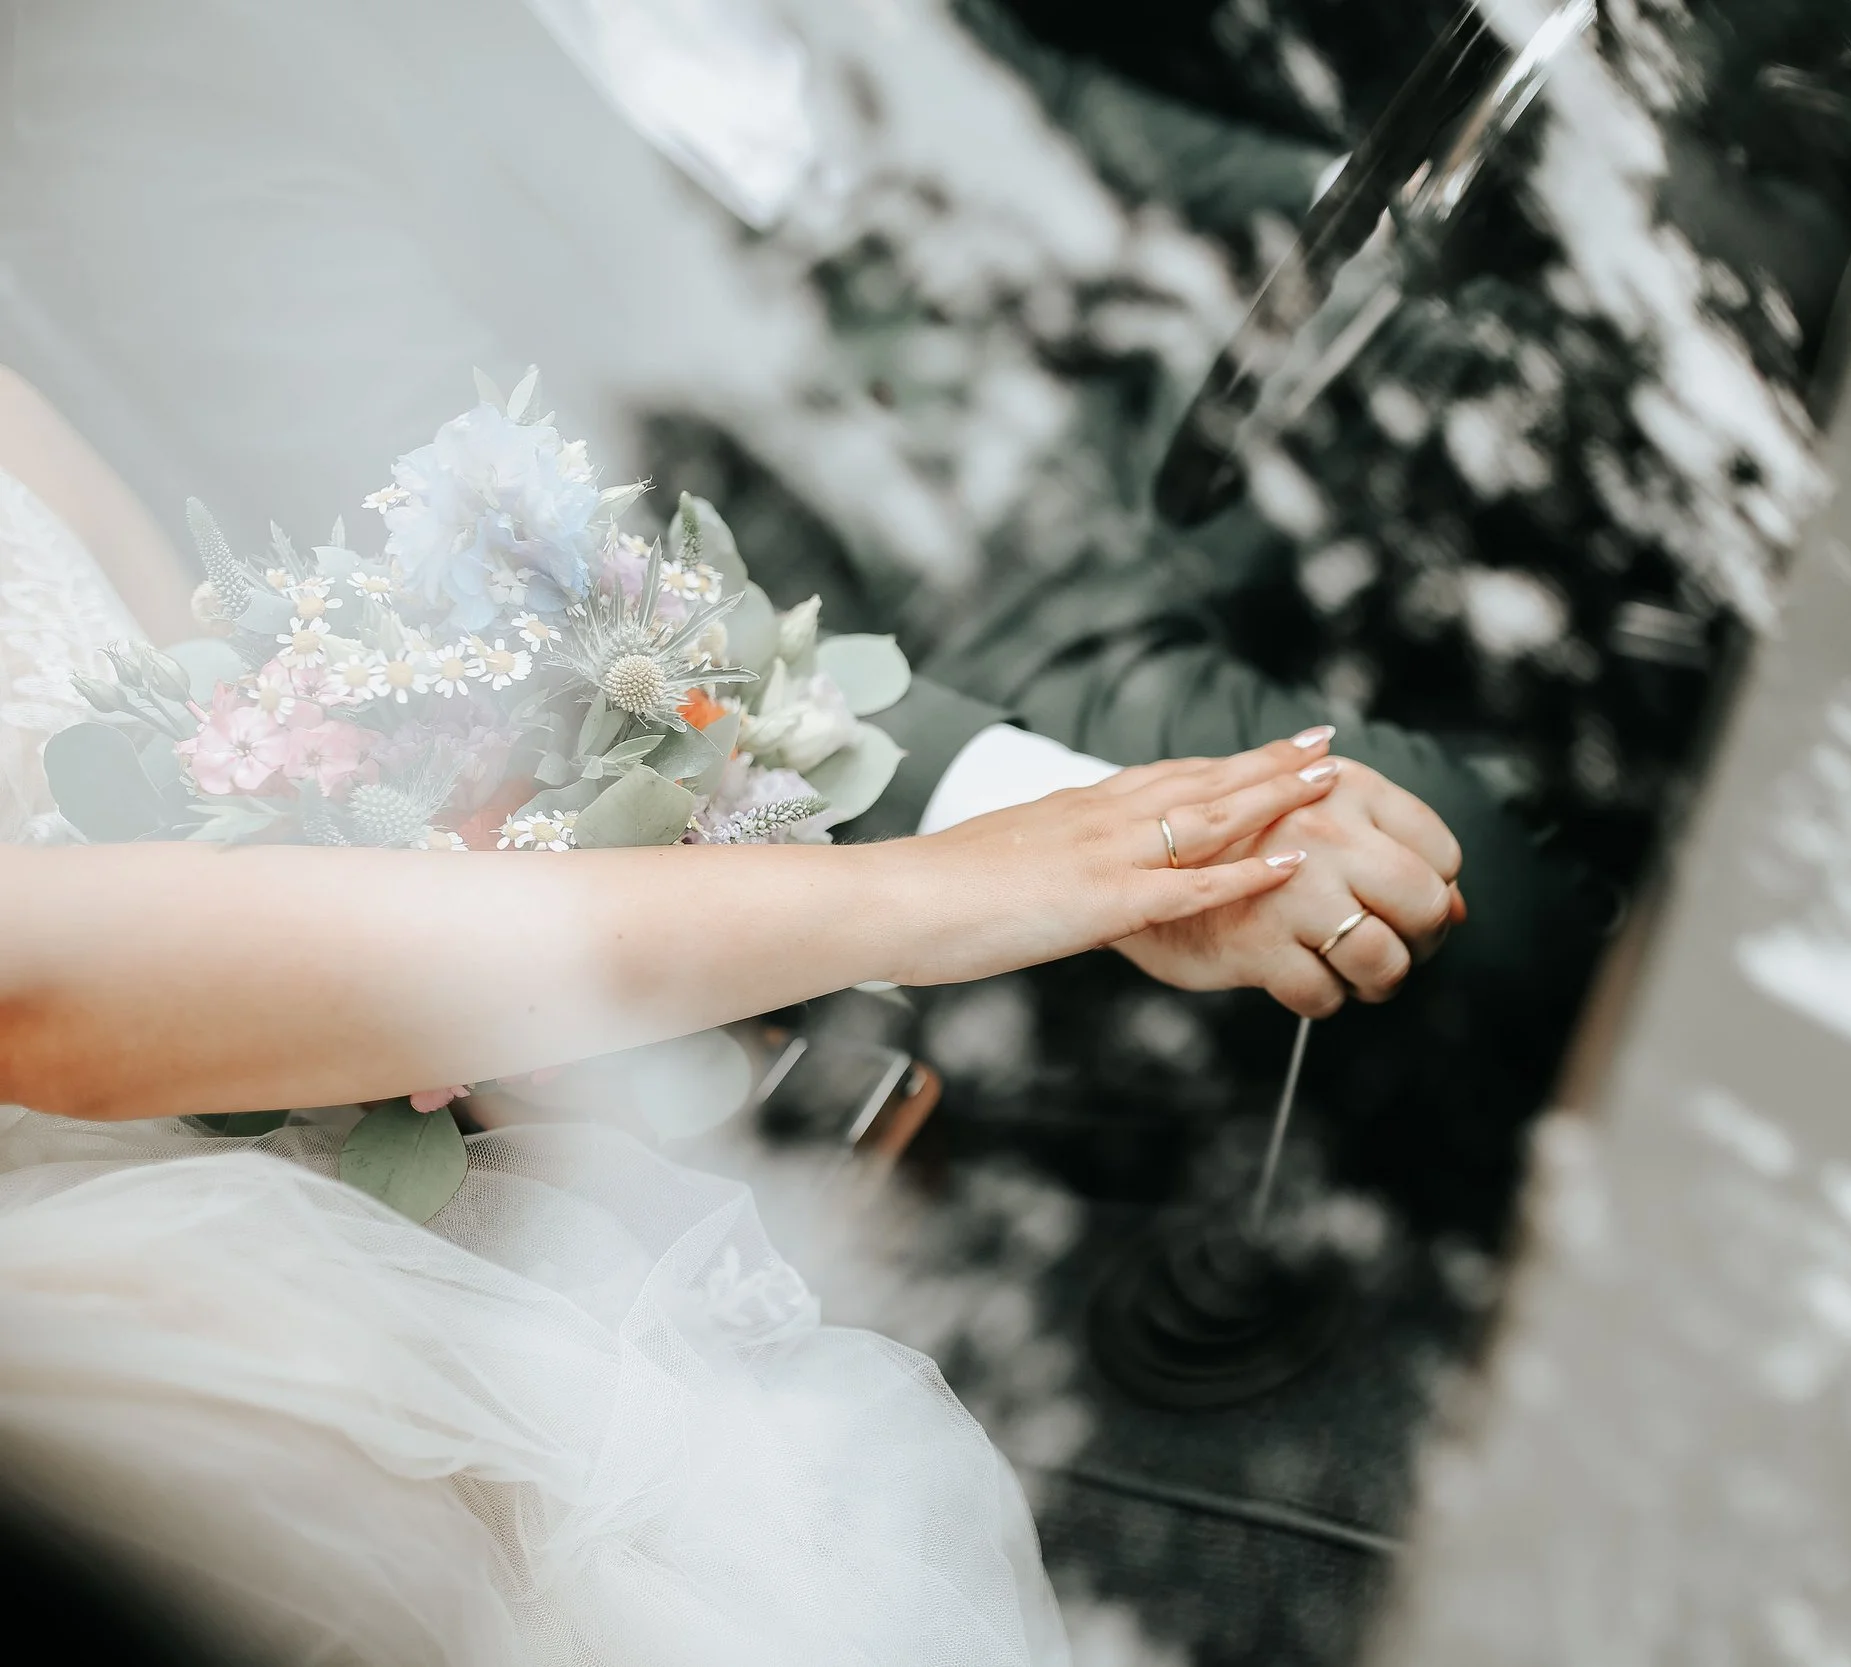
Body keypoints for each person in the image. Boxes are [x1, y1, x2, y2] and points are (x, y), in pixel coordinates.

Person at [0, 367, 1461, 1659]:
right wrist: (948, 888)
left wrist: (561, 777)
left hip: (438, 1127)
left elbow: (216, 720)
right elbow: (50, 991)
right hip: (196, 1320)